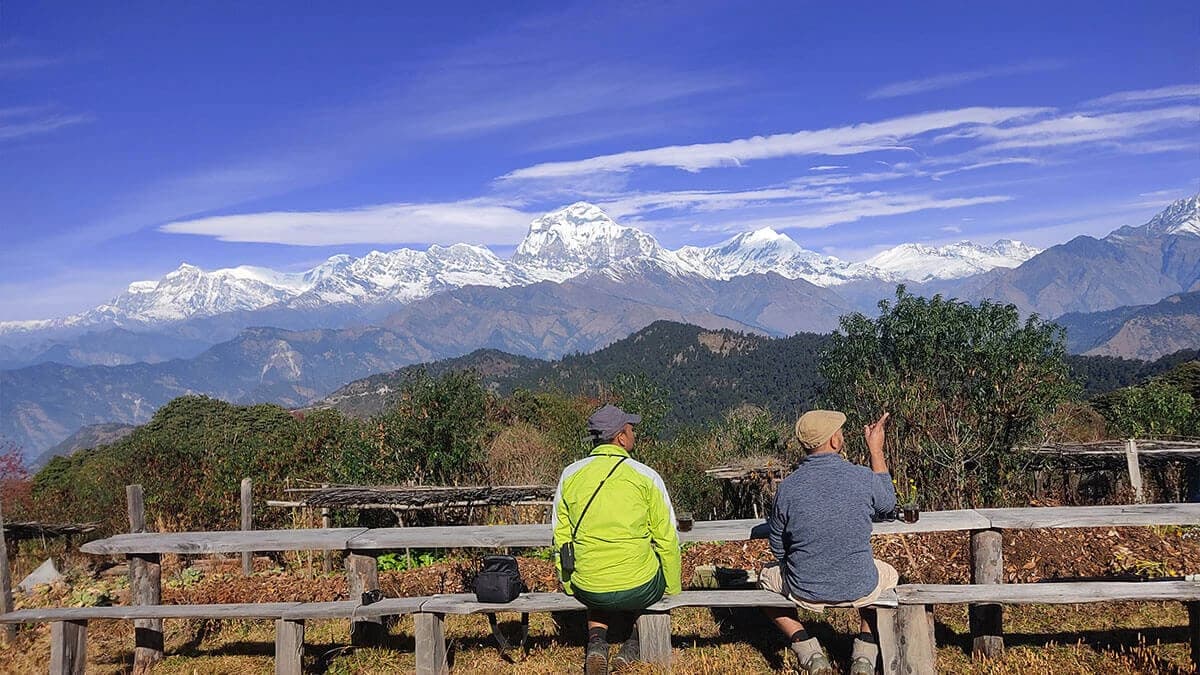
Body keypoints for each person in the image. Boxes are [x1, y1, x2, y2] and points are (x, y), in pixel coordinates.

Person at [758, 410, 898, 675]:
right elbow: (887, 504)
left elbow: (777, 546)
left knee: (764, 578)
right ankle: (865, 654)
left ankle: (807, 650)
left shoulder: (787, 488)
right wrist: (876, 450)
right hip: (860, 586)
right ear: (835, 441)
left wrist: (798, 563)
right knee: (888, 576)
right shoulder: (862, 477)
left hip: (804, 588)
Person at [552, 404, 682, 674]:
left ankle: (597, 644)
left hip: (588, 584)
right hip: (638, 585)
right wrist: (671, 589)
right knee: (648, 573)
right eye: (631, 429)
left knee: (598, 576)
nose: (634, 434)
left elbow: (561, 536)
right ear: (621, 437)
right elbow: (667, 538)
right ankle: (632, 646)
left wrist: (568, 582)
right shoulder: (646, 476)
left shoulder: (570, 475)